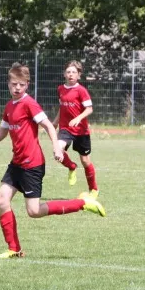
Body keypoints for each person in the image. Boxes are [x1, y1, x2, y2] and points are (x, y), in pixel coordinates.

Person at [0, 63, 106, 259]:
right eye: (14, 84)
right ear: (8, 84)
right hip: (16, 163)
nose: (17, 88)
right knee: (1, 199)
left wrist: (56, 147)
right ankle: (14, 249)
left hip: (32, 165)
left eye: (21, 85)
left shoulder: (29, 103)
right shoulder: (9, 106)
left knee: (34, 211)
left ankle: (82, 203)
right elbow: (2, 131)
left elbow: (48, 125)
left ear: (27, 85)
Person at [51, 60, 99, 198]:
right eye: (68, 72)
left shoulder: (81, 90)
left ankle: (93, 190)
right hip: (65, 129)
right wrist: (55, 122)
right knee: (57, 151)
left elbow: (89, 109)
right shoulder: (60, 89)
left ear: (79, 75)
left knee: (85, 161)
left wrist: (78, 118)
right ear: (64, 74)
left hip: (81, 131)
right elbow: (62, 108)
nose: (71, 74)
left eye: (74, 72)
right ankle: (71, 167)